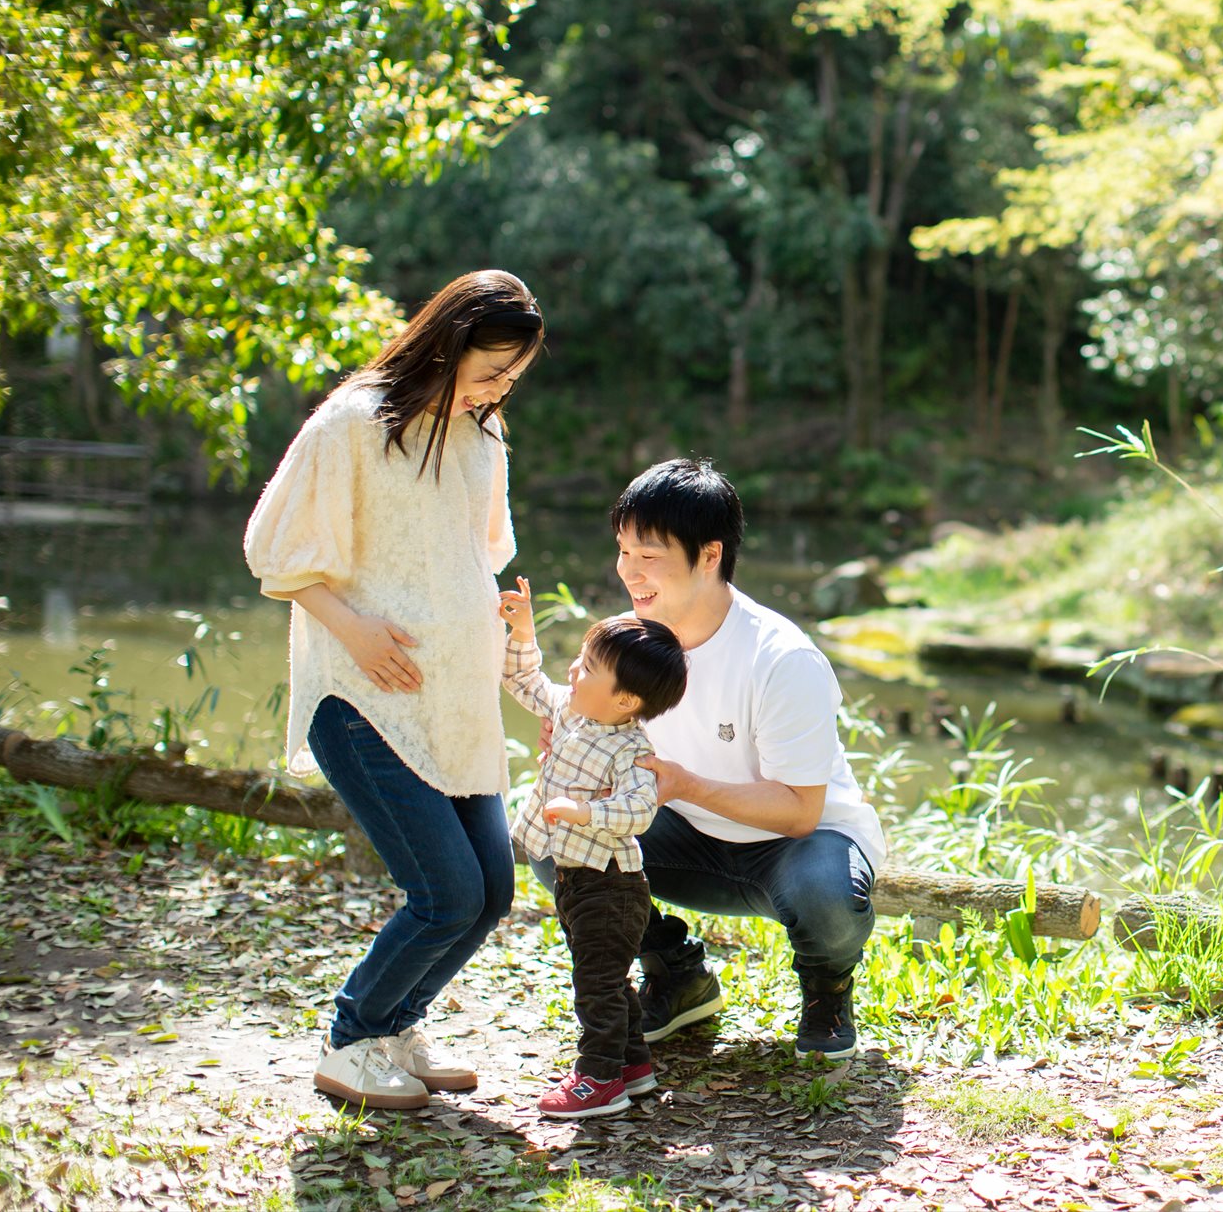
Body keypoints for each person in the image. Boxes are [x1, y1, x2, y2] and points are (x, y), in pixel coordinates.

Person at [243, 269, 543, 1110]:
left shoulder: (482, 439)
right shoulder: (351, 423)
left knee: (490, 891)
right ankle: (351, 1040)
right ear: (443, 346)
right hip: (364, 695)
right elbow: (276, 550)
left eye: (510, 379)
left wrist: (499, 618)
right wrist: (356, 627)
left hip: (456, 698)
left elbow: (473, 554)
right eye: (487, 372)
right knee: (444, 891)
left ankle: (397, 1024)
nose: (495, 391)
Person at [604, 457, 886, 1060]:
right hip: (687, 838)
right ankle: (677, 973)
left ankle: (827, 989)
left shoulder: (781, 657)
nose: (630, 572)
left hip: (799, 847)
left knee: (826, 896)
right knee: (561, 832)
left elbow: (799, 812)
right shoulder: (630, 642)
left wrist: (683, 784)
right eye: (624, 551)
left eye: (648, 556)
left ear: (709, 555)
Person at [496, 580, 689, 1119]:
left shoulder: (632, 750)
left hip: (611, 884)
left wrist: (587, 813)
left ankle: (598, 1077)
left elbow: (639, 811)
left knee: (596, 982)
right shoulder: (569, 710)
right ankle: (633, 1063)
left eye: (586, 668)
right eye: (579, 659)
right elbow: (522, 679)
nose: (572, 673)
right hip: (576, 878)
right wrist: (524, 630)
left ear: (626, 700)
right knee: (605, 973)